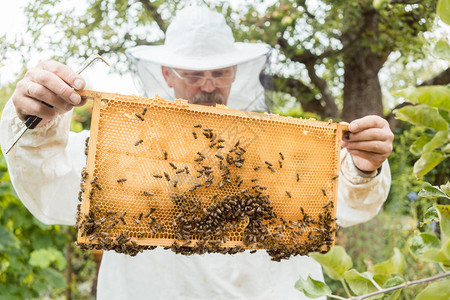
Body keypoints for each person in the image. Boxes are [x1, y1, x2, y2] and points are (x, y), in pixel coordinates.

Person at [0, 6, 393, 300]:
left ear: (236, 72)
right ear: (168, 74)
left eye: (219, 71)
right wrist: (35, 120)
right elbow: (51, 184)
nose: (207, 85)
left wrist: (363, 167)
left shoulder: (276, 149)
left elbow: (342, 201)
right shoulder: (127, 148)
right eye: (192, 73)